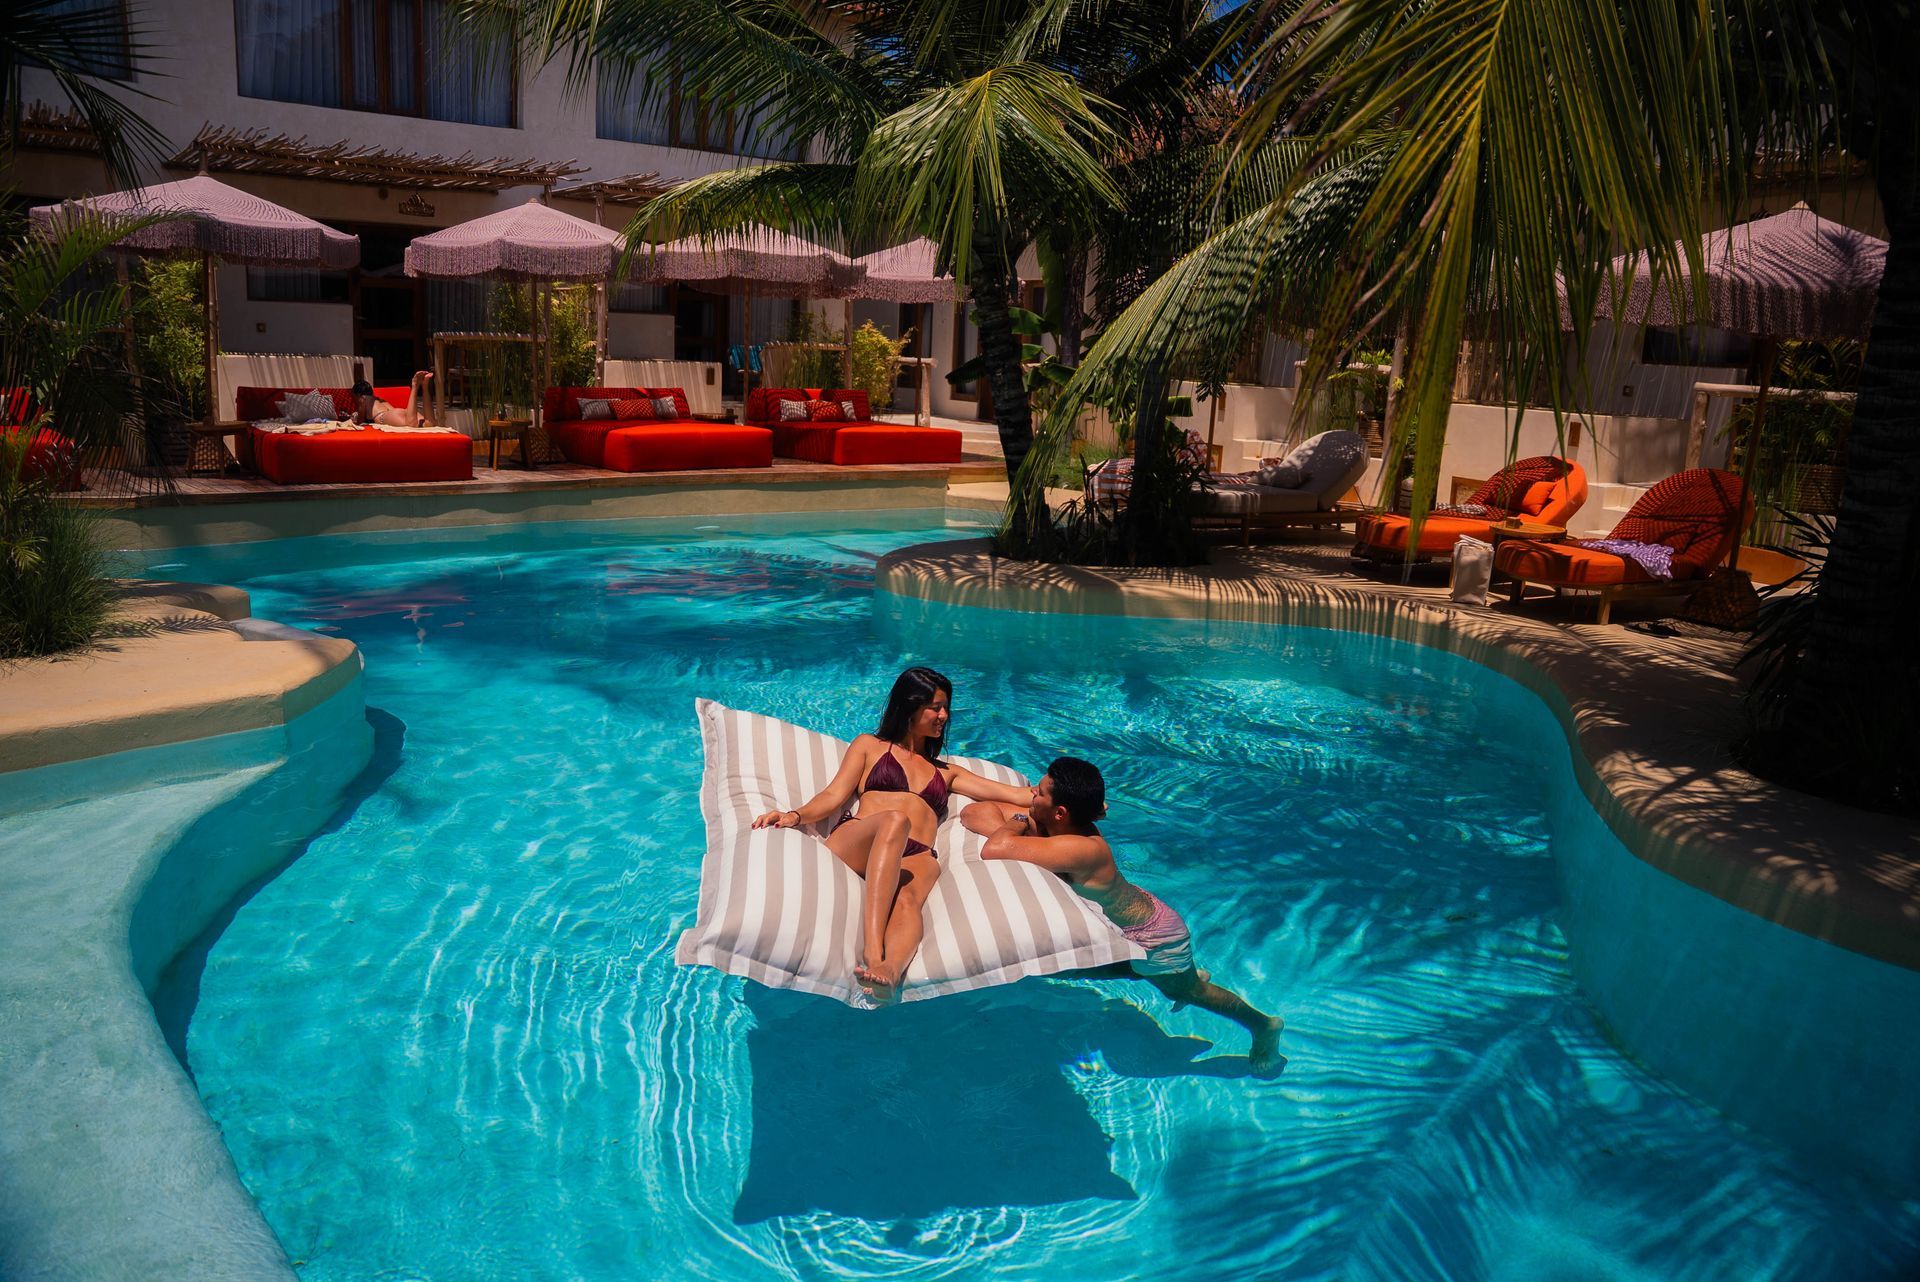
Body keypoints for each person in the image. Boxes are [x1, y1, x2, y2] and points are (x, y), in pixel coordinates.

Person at [967, 757, 1285, 1074]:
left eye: (1039, 793)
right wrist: (1022, 823)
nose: (1031, 793)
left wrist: (1018, 823)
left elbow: (994, 849)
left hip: (1153, 938)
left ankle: (1262, 1025)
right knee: (1064, 970)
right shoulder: (1058, 826)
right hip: (1124, 929)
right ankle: (1173, 973)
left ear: (1060, 812)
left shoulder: (1081, 848)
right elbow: (975, 813)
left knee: (1188, 994)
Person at [752, 667, 1032, 1003]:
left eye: (946, 707)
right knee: (895, 821)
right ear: (909, 705)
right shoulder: (870, 746)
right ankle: (873, 950)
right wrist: (795, 815)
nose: (944, 715)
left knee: (910, 899)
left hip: (916, 853)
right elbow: (833, 796)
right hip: (862, 837)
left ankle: (890, 972)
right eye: (935, 707)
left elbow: (1019, 795)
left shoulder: (947, 772)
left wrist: (1075, 799)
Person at [350, 363, 435, 429]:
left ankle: (415, 386)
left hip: (386, 416)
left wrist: (353, 420)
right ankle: (425, 387)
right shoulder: (378, 399)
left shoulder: (363, 398)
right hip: (402, 411)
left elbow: (360, 422)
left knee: (411, 425)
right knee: (429, 424)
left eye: (354, 398)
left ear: (358, 395)